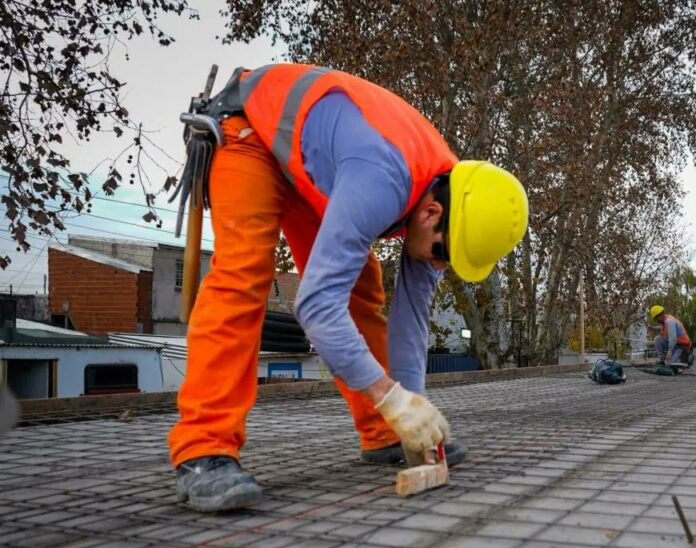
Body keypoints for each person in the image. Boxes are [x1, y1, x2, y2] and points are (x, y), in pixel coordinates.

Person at [168, 64, 528, 512]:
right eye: (442, 255)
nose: (439, 266)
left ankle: (383, 433)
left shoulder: (449, 201)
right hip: (251, 134)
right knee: (243, 276)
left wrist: (409, 412)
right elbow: (315, 306)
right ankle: (203, 451)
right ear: (431, 214)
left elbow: (412, 320)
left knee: (360, 292)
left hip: (310, 166)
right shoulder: (384, 179)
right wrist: (390, 397)